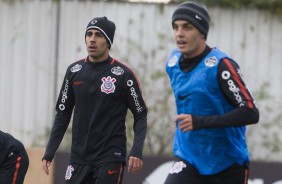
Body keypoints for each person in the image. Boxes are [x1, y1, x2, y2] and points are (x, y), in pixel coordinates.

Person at [42, 16, 148, 184]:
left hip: (110, 156)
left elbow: (141, 114)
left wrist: (136, 150)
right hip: (79, 157)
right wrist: (49, 151)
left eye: (98, 35)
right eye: (89, 34)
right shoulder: (74, 72)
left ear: (108, 41)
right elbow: (62, 115)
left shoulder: (124, 75)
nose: (92, 39)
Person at [164, 1, 259, 184]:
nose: (179, 34)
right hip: (189, 156)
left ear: (202, 32)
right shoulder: (172, 62)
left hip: (226, 163)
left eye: (187, 27)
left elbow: (250, 112)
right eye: (175, 27)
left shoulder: (222, 66)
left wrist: (199, 122)